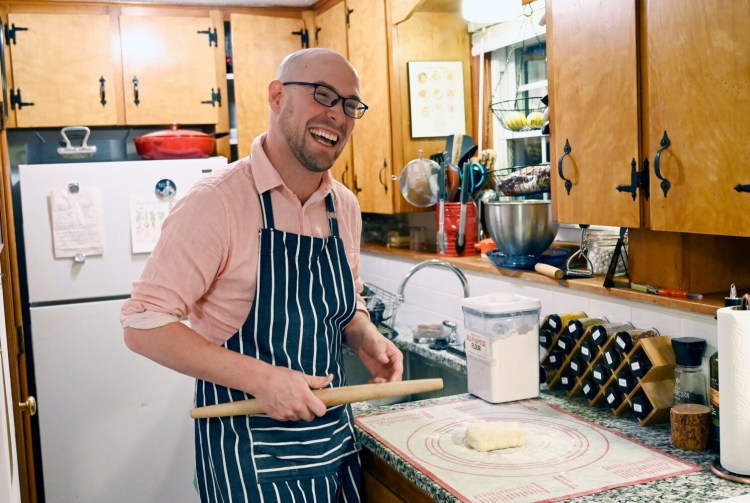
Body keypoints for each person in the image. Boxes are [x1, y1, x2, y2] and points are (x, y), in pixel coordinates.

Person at [121, 47, 403, 502]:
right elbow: (142, 324)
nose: (337, 116)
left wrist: (365, 335)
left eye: (350, 105)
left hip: (333, 442)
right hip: (247, 452)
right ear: (277, 97)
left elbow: (346, 302)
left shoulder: (343, 207)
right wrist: (262, 378)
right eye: (323, 96)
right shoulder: (217, 202)